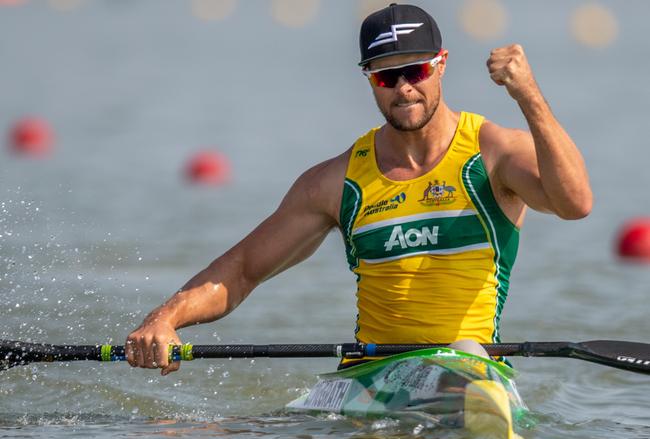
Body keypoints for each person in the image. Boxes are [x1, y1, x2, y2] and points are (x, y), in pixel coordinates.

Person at [125, 3, 592, 375]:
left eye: (417, 72)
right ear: (369, 78)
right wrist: (164, 320)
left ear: (442, 65)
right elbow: (243, 270)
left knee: (466, 350)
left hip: (472, 368)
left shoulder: (493, 153)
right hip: (371, 377)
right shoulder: (335, 181)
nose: (404, 89)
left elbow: (575, 204)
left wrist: (527, 94)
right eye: (387, 76)